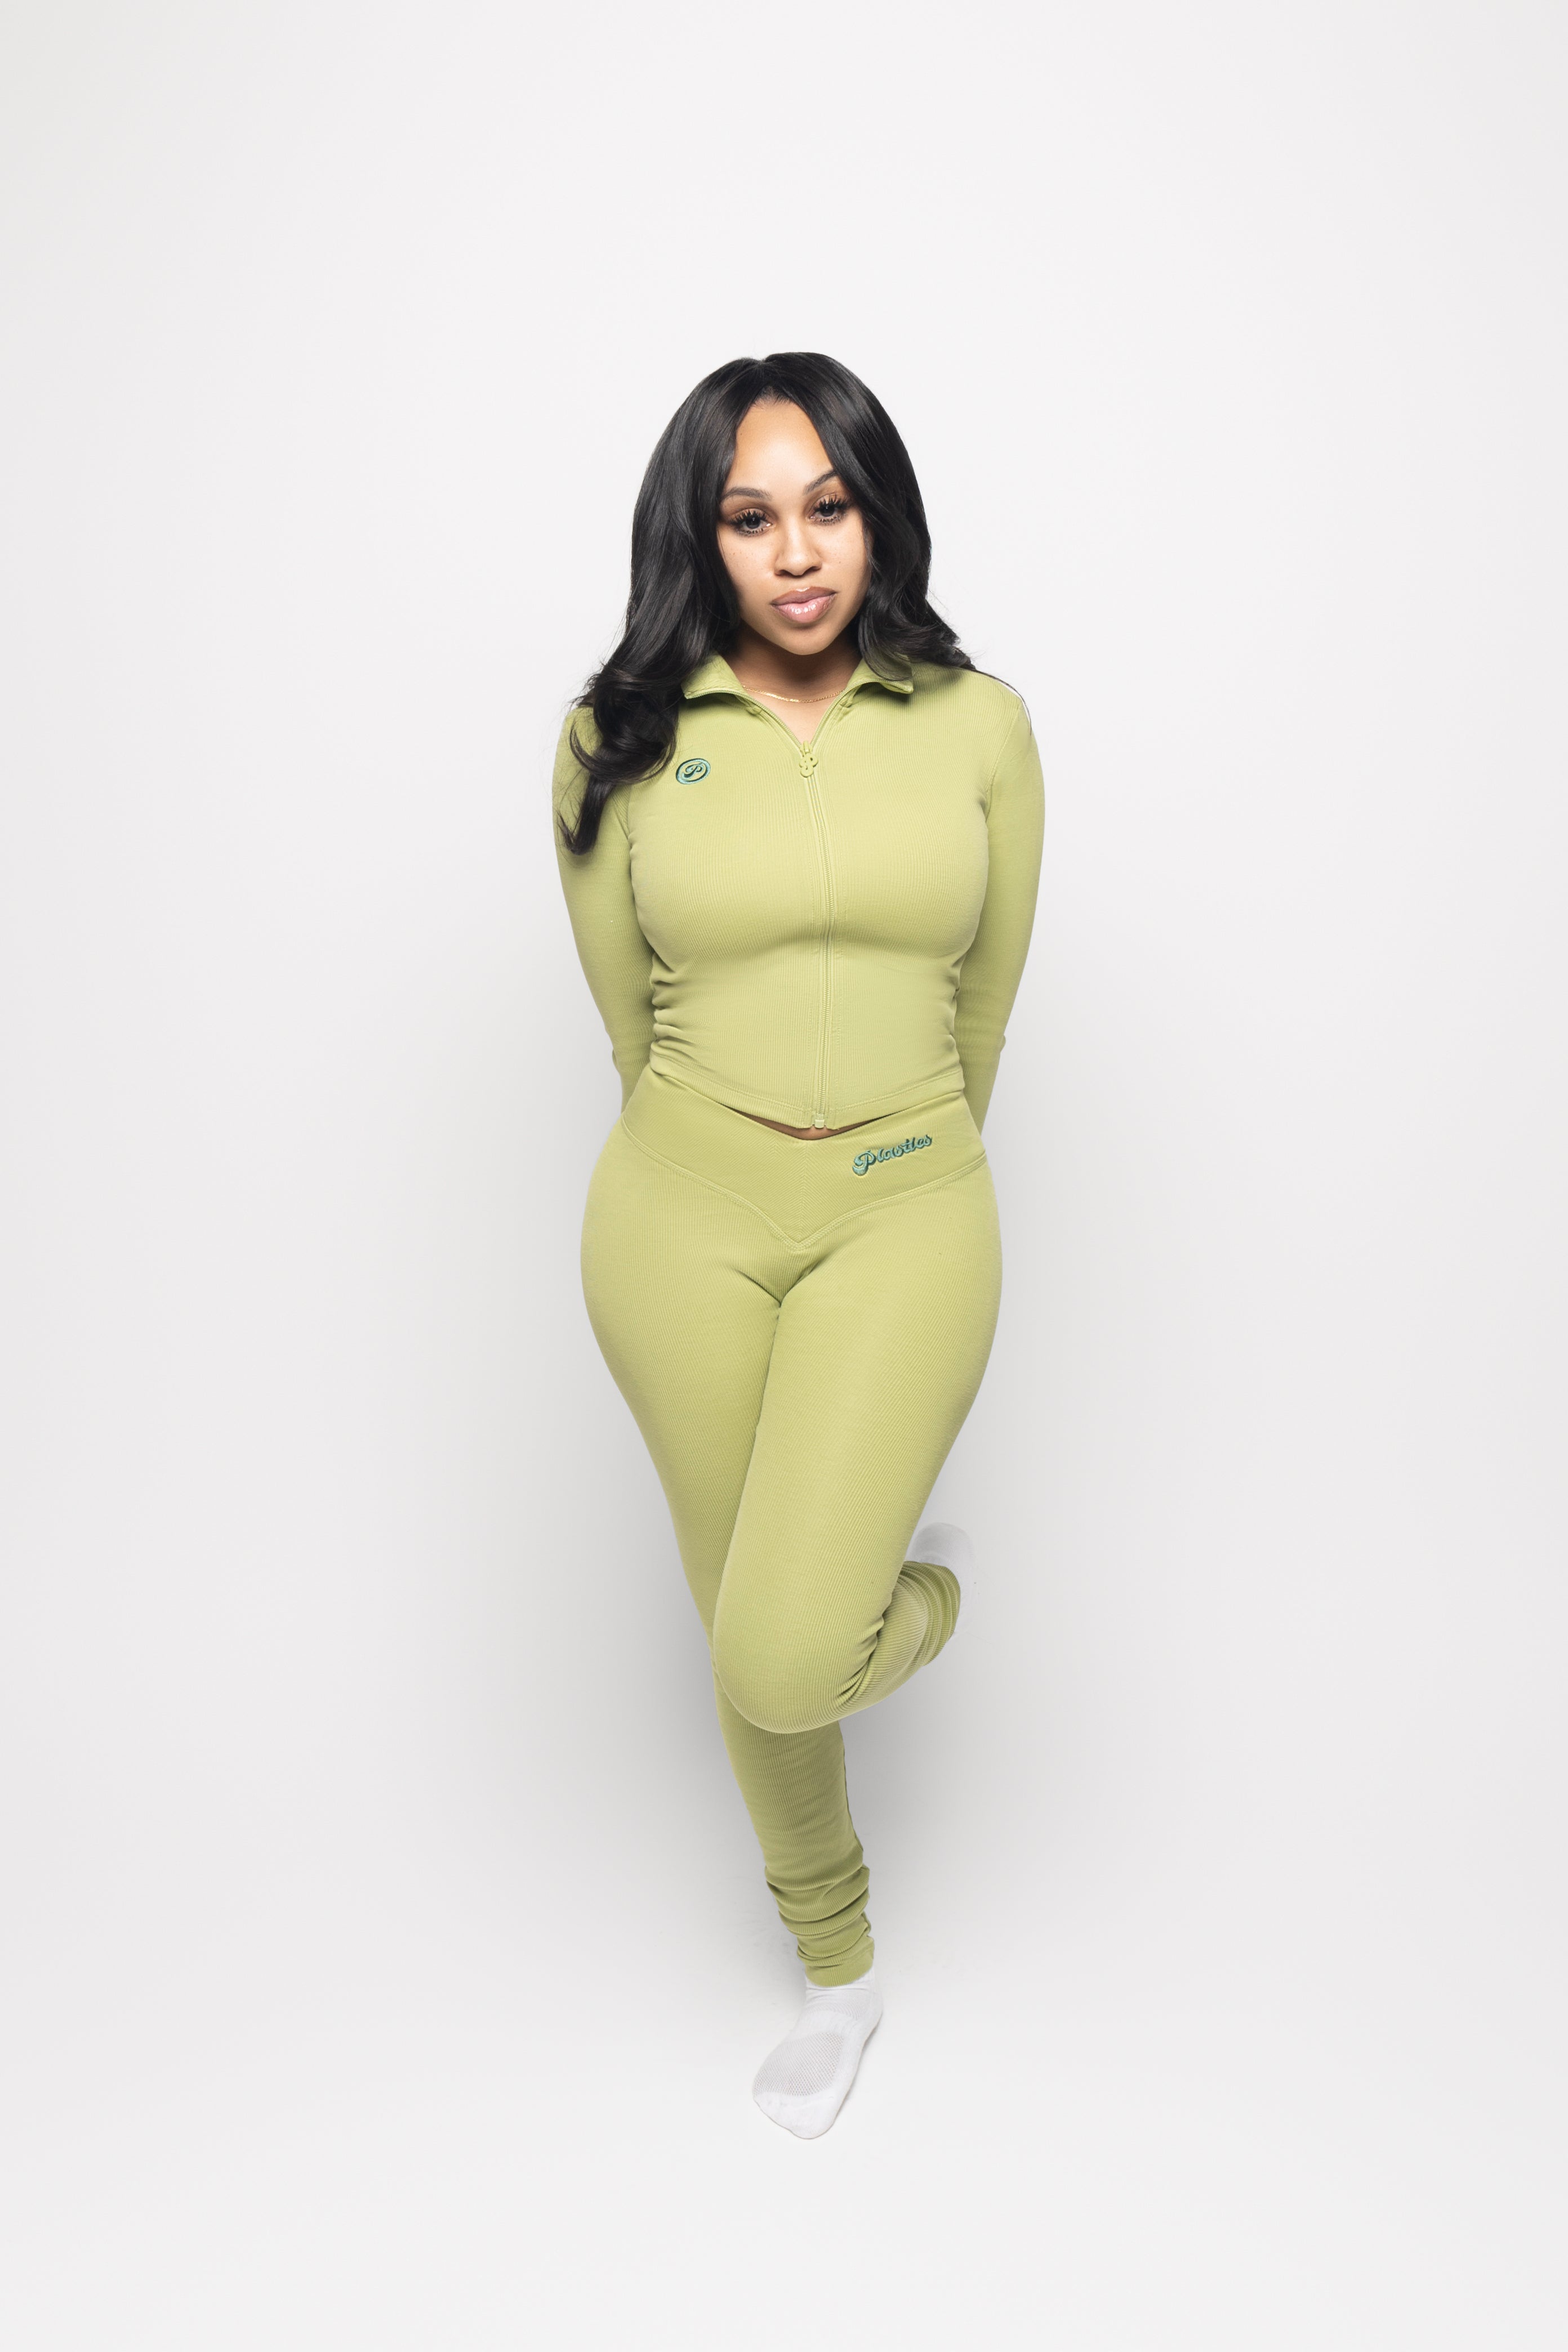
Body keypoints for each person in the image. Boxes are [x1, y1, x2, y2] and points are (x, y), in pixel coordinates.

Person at [552, 353, 1044, 2137]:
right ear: (701, 539)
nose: (797, 552)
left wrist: (900, 1161)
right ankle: (840, 1971)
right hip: (677, 1225)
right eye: (750, 517)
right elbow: (629, 1025)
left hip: (907, 1206)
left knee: (789, 1648)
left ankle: (927, 1594)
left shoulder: (980, 726)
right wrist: (718, 1155)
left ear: (877, 514)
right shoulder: (619, 735)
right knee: (742, 1650)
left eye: (828, 506)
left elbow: (984, 1014)